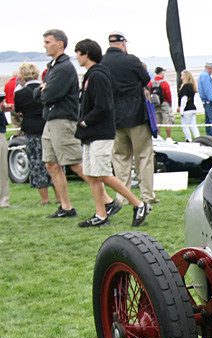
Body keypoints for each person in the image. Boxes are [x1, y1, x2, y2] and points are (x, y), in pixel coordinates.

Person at [72, 39, 148, 228]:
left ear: (86, 54)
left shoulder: (97, 75)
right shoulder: (92, 75)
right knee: (91, 174)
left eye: (78, 53)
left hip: (100, 132)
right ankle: (101, 214)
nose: (76, 57)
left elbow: (103, 106)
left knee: (103, 174)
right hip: (91, 134)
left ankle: (139, 204)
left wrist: (85, 121)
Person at [104, 31, 156, 207]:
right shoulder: (131, 60)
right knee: (144, 157)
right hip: (136, 115)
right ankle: (147, 194)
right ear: (123, 43)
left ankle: (123, 196)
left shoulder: (102, 63)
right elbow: (146, 78)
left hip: (114, 118)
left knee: (120, 159)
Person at [39, 28, 88, 218]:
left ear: (60, 43)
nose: (45, 45)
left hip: (63, 120)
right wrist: (42, 91)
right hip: (51, 119)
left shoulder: (64, 67)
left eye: (48, 42)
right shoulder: (54, 66)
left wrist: (42, 92)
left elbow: (49, 95)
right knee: (51, 163)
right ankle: (66, 206)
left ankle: (107, 200)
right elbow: (44, 94)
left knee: (75, 163)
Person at [13, 62, 53, 205]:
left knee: (37, 163)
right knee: (55, 163)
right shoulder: (45, 88)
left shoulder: (20, 93)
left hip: (31, 128)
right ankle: (60, 197)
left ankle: (45, 199)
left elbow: (18, 111)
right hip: (47, 125)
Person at [150, 67, 173, 138]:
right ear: (161, 73)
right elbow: (168, 94)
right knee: (167, 121)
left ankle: (157, 137)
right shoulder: (164, 83)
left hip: (155, 104)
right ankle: (168, 137)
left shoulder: (150, 83)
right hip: (164, 103)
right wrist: (170, 104)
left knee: (157, 122)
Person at [178, 69, 200, 141]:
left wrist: (181, 111)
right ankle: (198, 139)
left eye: (182, 76)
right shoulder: (191, 86)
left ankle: (188, 140)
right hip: (193, 108)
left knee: (185, 126)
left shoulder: (185, 87)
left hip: (187, 109)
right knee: (193, 126)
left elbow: (184, 99)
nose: (181, 77)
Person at [198, 61, 212, 137]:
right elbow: (208, 89)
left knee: (208, 120)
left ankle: (209, 137)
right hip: (208, 102)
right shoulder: (205, 76)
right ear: (209, 68)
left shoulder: (202, 75)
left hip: (205, 101)